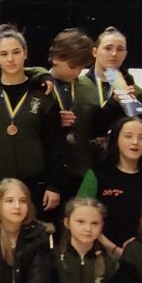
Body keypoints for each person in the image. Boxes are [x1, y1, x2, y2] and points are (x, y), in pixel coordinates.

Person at [0, 26, 65, 228]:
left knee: (29, 239)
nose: (10, 59)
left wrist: (54, 184)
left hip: (32, 182)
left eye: (16, 52)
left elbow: (54, 142)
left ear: (25, 53)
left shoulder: (43, 91)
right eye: (4, 54)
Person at [76, 116, 142, 256]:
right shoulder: (97, 175)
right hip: (100, 253)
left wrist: (137, 253)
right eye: (128, 136)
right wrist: (113, 249)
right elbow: (80, 217)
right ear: (116, 140)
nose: (135, 142)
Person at [37, 29, 100, 205]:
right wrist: (53, 122)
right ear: (56, 58)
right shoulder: (39, 85)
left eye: (81, 67)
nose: (77, 72)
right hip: (46, 174)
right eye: (73, 66)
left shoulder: (87, 88)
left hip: (80, 171)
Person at [80, 27, 139, 146]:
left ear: (125, 55)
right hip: (84, 154)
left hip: (119, 155)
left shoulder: (134, 91)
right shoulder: (78, 86)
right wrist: (114, 104)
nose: (114, 54)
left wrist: (133, 106)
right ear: (95, 52)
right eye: (107, 48)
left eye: (120, 49)